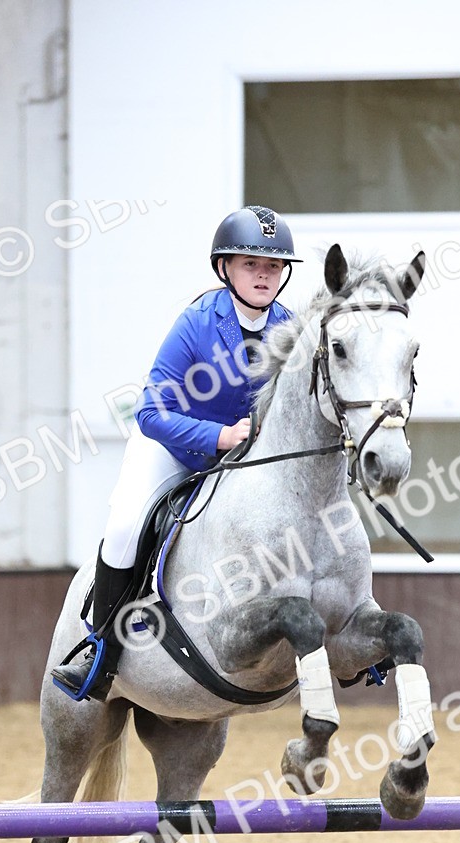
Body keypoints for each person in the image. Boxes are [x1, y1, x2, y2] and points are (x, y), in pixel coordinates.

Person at [51, 205, 301, 702]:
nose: (264, 275)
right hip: (173, 446)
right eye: (251, 263)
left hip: (244, 461)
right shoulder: (196, 323)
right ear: (225, 268)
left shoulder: (293, 329)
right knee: (124, 527)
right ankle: (99, 652)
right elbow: (150, 412)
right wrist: (220, 437)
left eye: (273, 266)